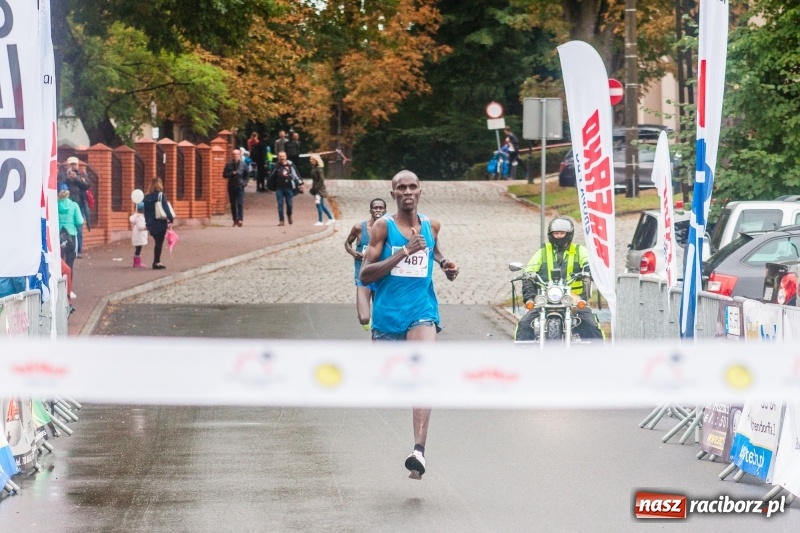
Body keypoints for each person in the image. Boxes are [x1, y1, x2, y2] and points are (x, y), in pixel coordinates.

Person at [359, 170, 459, 480]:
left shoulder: (431, 225)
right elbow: (365, 274)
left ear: (420, 191)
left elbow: (434, 247)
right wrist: (403, 251)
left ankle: (419, 452)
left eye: (412, 186)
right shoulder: (382, 228)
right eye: (400, 187)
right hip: (388, 316)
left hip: (422, 311)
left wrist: (445, 265)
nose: (407, 191)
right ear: (392, 194)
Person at [515, 217, 604, 341]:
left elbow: (589, 262)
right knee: (524, 324)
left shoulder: (580, 251)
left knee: (591, 325)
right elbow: (529, 271)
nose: (558, 236)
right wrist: (529, 294)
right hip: (546, 298)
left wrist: (590, 270)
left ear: (569, 234)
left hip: (573, 299)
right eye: (556, 233)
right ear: (550, 235)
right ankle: (521, 356)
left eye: (562, 233)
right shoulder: (543, 252)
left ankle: (600, 356)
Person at [345, 198, 386, 330]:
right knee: (364, 318)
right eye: (375, 208)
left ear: (385, 210)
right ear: (370, 210)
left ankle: (377, 333)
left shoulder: (389, 228)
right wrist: (352, 252)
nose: (378, 210)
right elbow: (347, 243)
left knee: (381, 317)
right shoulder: (359, 228)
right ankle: (368, 323)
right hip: (363, 276)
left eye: (381, 208)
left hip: (381, 276)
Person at [142, 178, 174, 270]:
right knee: (159, 243)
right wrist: (171, 219)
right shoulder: (160, 195)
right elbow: (166, 208)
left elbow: (146, 211)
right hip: (159, 222)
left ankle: (157, 261)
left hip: (150, 223)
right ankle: (156, 262)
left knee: (157, 242)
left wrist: (147, 223)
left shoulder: (146, 197)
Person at [63, 157, 91, 257]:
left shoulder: (82, 175)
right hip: (68, 206)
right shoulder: (64, 175)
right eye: (71, 164)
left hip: (80, 205)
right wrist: (68, 177)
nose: (73, 166)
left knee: (79, 228)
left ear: (78, 165)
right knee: (67, 228)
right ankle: (68, 249)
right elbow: (62, 185)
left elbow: (87, 185)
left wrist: (76, 178)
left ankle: (78, 250)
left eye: (75, 164)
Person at [267, 151, 301, 226]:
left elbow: (296, 175)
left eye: (283, 156)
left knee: (289, 204)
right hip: (279, 188)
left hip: (289, 187)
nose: (282, 158)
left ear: (286, 157)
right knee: (280, 204)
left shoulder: (290, 165)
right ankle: (281, 220)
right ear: (278, 157)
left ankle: (289, 214)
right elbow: (271, 176)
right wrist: (269, 187)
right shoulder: (276, 166)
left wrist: (300, 184)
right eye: (280, 156)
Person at [57, 182, 84, 275]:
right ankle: (68, 287)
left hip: (58, 236)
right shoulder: (74, 205)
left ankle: (58, 286)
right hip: (71, 235)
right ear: (68, 193)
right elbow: (80, 221)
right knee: (69, 264)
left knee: (58, 263)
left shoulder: (55, 205)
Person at [223, 149, 249, 227]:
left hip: (240, 186)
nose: (235, 156)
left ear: (240, 155)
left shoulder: (243, 164)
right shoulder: (228, 164)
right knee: (233, 204)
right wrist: (232, 173)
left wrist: (244, 183)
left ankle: (240, 219)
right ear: (232, 155)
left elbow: (247, 175)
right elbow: (224, 175)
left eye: (237, 154)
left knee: (240, 203)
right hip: (231, 186)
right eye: (234, 155)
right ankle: (235, 219)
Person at [308, 154, 335, 226]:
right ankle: (330, 218)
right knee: (321, 205)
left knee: (319, 204)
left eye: (311, 159)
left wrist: (316, 189)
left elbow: (321, 180)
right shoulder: (314, 168)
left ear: (316, 160)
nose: (310, 160)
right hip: (317, 189)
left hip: (319, 190)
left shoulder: (319, 169)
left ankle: (321, 220)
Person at [130, 202, 148, 268]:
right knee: (138, 248)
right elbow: (140, 226)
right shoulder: (141, 217)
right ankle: (137, 262)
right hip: (140, 235)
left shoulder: (136, 216)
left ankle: (137, 262)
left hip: (136, 234)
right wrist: (146, 227)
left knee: (138, 248)